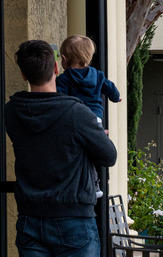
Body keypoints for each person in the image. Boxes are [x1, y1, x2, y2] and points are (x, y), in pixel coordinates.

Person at [5, 39, 120, 257]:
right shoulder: (76, 112)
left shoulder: (12, 112)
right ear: (56, 68)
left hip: (30, 218)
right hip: (75, 220)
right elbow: (109, 155)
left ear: (23, 73)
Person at [56, 34, 121, 198]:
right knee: (91, 153)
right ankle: (95, 184)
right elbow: (111, 89)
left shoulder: (64, 79)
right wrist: (117, 97)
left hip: (76, 119)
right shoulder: (98, 75)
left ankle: (85, 184)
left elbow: (59, 99)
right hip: (95, 119)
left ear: (64, 59)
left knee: (78, 151)